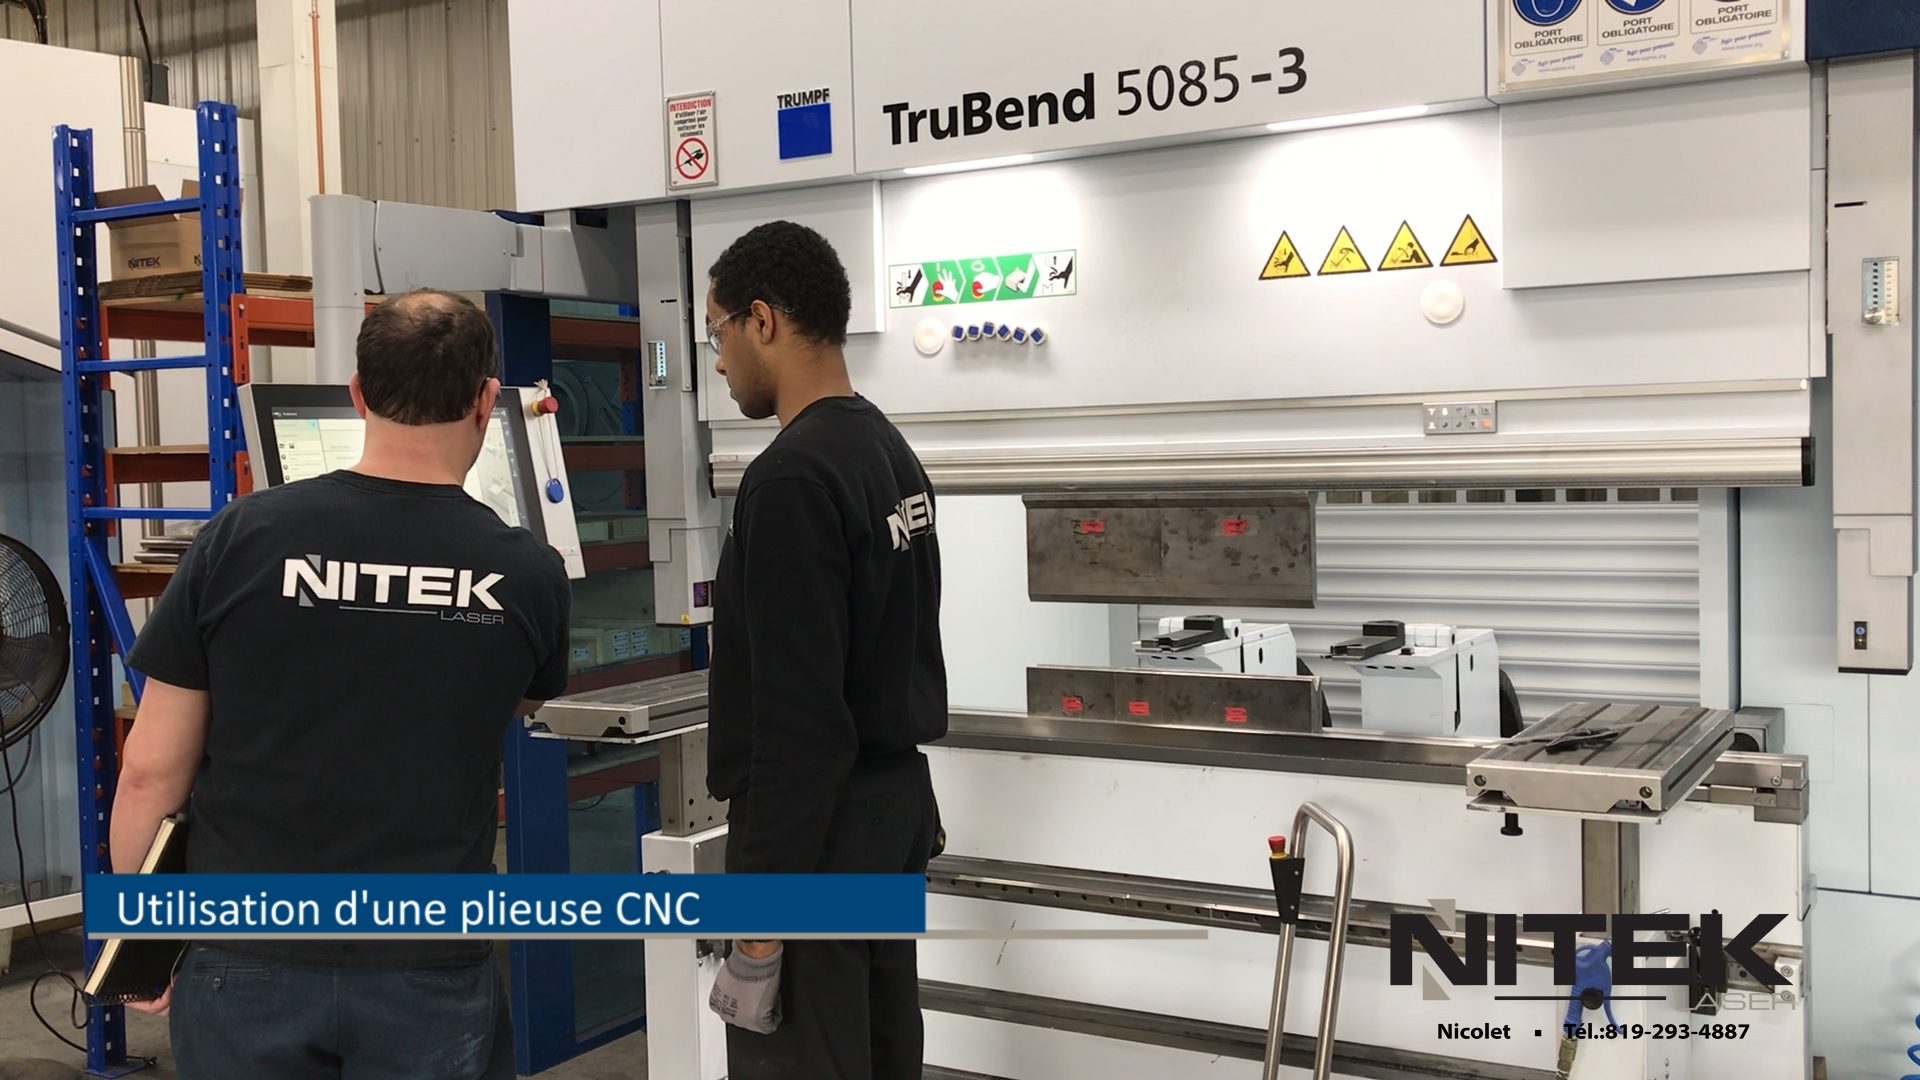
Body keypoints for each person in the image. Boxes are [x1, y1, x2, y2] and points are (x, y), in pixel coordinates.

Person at [112, 290, 571, 1080]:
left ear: (358, 394)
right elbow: (519, 701)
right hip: (426, 959)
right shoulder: (528, 571)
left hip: (244, 950)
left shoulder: (239, 538)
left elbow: (150, 772)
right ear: (485, 401)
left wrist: (143, 937)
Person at [702, 221, 948, 1080]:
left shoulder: (791, 478)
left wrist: (759, 913)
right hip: (889, 814)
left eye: (718, 334)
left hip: (820, 838)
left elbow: (798, 721)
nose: (719, 362)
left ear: (762, 320)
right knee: (881, 1053)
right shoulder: (886, 450)